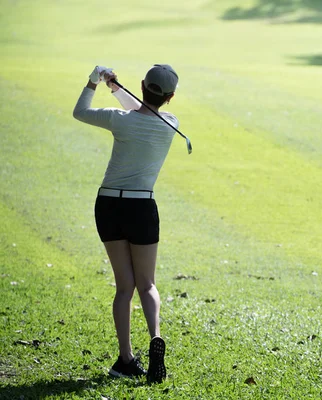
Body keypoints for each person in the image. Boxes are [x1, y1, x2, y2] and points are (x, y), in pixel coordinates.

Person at [73, 64, 180, 384]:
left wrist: (96, 82)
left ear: (143, 85)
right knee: (146, 284)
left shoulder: (119, 120)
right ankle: (155, 336)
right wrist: (117, 88)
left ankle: (125, 358)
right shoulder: (171, 124)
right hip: (142, 207)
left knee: (124, 287)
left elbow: (81, 112)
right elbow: (145, 112)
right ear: (171, 98)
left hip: (108, 204)